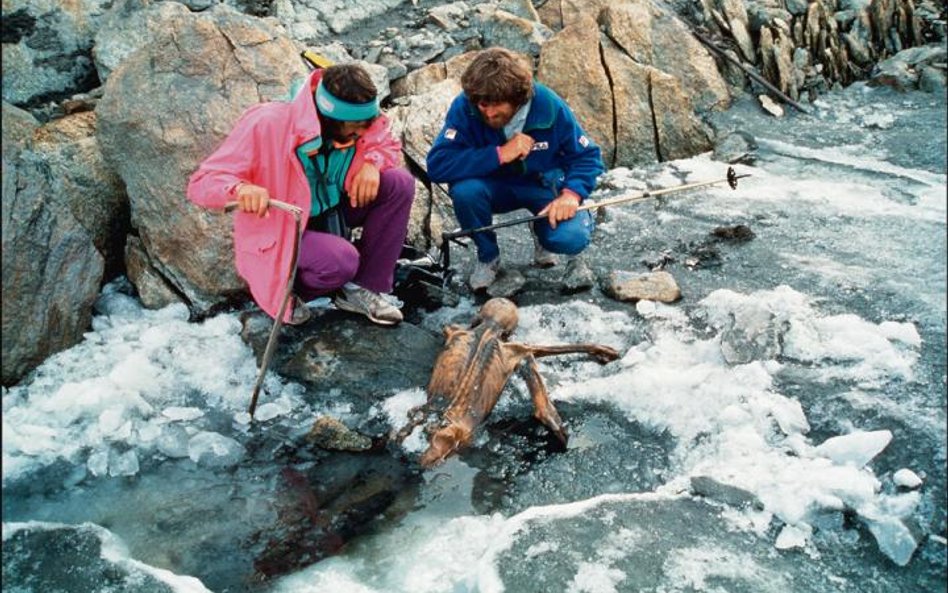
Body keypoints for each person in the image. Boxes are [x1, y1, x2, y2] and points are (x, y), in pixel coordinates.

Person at [188, 63, 414, 326]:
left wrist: (372, 164)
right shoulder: (267, 123)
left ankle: (361, 288)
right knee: (341, 260)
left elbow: (382, 140)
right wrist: (240, 189)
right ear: (328, 117)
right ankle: (292, 293)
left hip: (332, 211)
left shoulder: (362, 123)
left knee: (399, 182)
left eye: (366, 125)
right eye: (354, 128)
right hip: (283, 227)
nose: (362, 134)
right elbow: (202, 183)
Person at [426, 47, 605, 291]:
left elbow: (587, 156)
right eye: (482, 104)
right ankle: (488, 256)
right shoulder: (466, 106)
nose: (488, 112)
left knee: (570, 238)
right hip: (491, 187)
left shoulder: (549, 105)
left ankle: (543, 232)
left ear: (518, 98)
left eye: (496, 104)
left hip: (541, 185)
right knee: (465, 192)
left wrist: (571, 195)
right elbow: (438, 164)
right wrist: (499, 154)